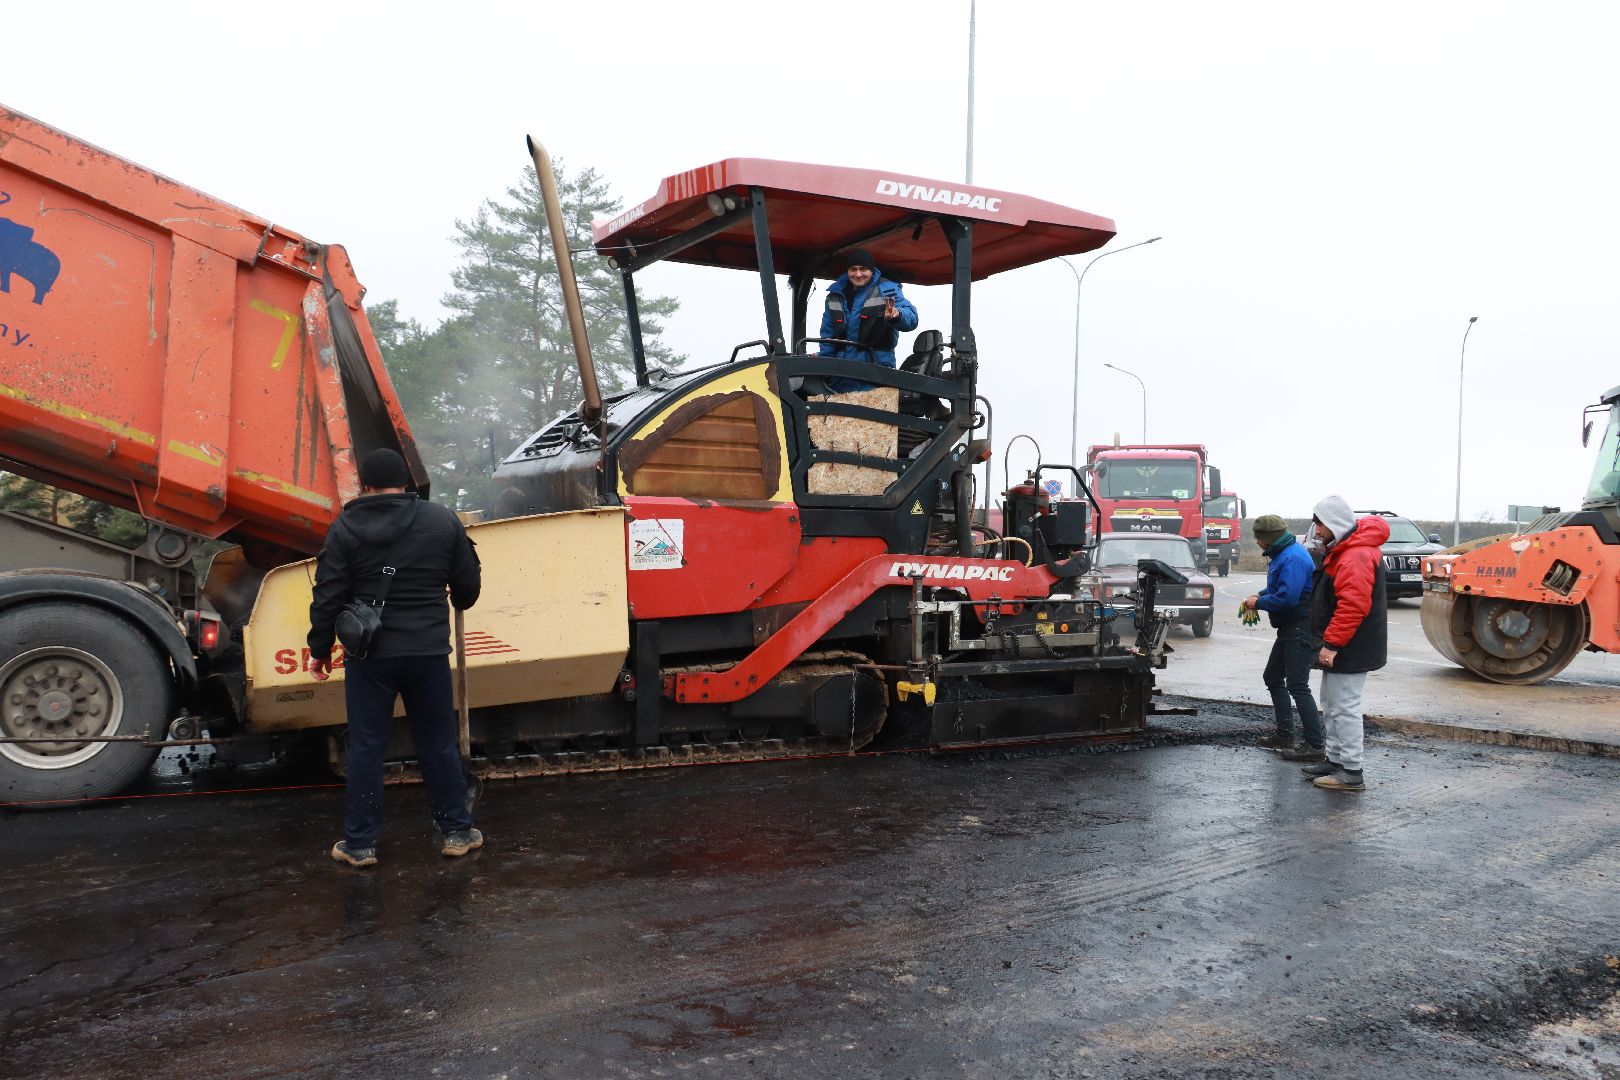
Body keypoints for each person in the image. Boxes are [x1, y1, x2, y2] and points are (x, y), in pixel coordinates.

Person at [306, 448, 484, 866]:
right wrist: (451, 593)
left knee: (367, 746)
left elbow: (327, 595)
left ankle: (360, 843)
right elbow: (468, 590)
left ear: (364, 485)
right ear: (406, 481)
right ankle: (457, 832)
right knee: (438, 742)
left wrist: (319, 650)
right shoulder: (442, 520)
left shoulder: (346, 527)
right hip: (427, 653)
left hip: (370, 656)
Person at [1300, 494, 1388, 793]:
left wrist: (1332, 644)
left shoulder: (1356, 555)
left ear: (1333, 524)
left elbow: (1352, 605)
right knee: (1331, 702)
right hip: (1348, 643)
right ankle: (1335, 760)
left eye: (1320, 525)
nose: (1318, 532)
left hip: (1352, 645)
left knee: (1344, 706)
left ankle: (1351, 770)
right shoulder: (1349, 550)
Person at [1242, 514, 1323, 762]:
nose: (1257, 543)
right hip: (1289, 628)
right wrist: (1260, 594)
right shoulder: (1284, 553)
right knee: (1273, 677)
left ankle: (1315, 746)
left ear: (1269, 538)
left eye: (1259, 538)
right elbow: (1281, 588)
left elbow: (1287, 597)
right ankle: (1285, 735)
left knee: (1298, 686)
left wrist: (1260, 602)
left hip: (1299, 627)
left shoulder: (1292, 557)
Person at [817, 248, 918, 392]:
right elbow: (827, 335)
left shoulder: (887, 290)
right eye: (853, 269)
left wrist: (897, 315)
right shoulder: (835, 295)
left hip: (875, 373)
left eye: (863, 269)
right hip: (840, 374)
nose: (858, 274)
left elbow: (912, 318)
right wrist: (823, 366)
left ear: (871, 270)